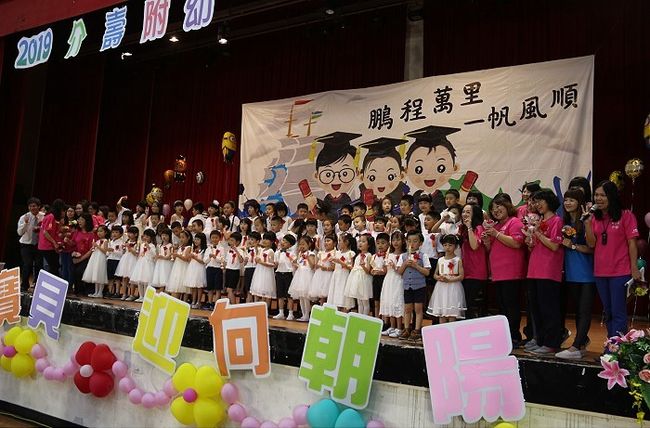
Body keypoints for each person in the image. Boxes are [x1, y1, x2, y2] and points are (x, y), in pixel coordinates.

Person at [585, 180, 640, 340]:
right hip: (600, 271)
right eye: (596, 195)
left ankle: (617, 350)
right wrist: (587, 224)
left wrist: (634, 267)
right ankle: (611, 344)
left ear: (612, 196)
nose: (598, 198)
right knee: (607, 311)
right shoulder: (594, 218)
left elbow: (632, 243)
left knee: (618, 311)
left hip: (620, 271)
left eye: (603, 195)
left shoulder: (626, 215)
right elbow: (591, 243)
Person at [556, 189, 595, 359]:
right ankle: (582, 343)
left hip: (587, 273)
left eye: (572, 200)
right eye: (566, 200)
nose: (568, 203)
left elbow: (591, 248)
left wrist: (572, 246)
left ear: (579, 203)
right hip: (571, 272)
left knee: (584, 310)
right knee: (578, 310)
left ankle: (576, 346)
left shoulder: (586, 221)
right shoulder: (565, 222)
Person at [483, 194, 526, 346]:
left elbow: (516, 243)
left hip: (511, 272)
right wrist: (487, 240)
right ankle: (504, 336)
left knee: (511, 305)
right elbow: (491, 249)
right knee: (502, 306)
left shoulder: (515, 222)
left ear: (507, 206)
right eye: (493, 208)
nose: (496, 210)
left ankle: (514, 336)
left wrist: (496, 234)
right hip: (498, 273)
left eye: (499, 206)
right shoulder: (495, 226)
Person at [525, 189, 564, 355]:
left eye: (541, 201)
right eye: (535, 201)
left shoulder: (557, 221)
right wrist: (529, 237)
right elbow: (533, 245)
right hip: (534, 269)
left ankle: (552, 342)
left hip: (548, 270)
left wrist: (538, 233)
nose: (537, 204)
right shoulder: (538, 221)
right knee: (536, 308)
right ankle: (540, 339)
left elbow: (554, 245)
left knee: (549, 308)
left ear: (549, 202)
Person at [397, 231, 431, 342]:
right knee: (407, 309)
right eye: (409, 241)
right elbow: (399, 272)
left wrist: (416, 266)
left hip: (419, 286)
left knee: (418, 309)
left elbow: (427, 272)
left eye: (415, 241)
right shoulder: (403, 256)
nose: (412, 243)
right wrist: (405, 264)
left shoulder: (423, 256)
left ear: (420, 243)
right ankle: (406, 328)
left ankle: (417, 329)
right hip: (407, 286)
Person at [358, 137, 408, 208]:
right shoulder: (363, 201)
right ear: (362, 177)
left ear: (401, 175)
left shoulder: (400, 200)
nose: (381, 183)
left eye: (390, 177)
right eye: (372, 177)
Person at [427, 234, 466, 322]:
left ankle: (451, 331)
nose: (447, 247)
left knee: (452, 311)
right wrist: (439, 277)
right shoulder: (440, 260)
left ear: (455, 246)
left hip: (453, 287)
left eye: (450, 245)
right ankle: (442, 332)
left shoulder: (458, 259)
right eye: (445, 245)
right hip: (441, 287)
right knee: (441, 311)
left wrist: (450, 280)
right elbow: (435, 274)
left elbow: (461, 276)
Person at [460, 204, 488, 318]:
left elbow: (474, 246)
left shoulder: (479, 228)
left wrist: (469, 227)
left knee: (471, 304)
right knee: (465, 304)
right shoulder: (462, 229)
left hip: (476, 272)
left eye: (468, 212)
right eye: (463, 212)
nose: (464, 214)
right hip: (465, 271)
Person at [380, 231, 406, 338]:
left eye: (398, 240)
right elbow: (385, 270)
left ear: (403, 241)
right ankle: (391, 326)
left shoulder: (404, 255)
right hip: (389, 279)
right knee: (388, 301)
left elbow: (401, 270)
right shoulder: (389, 254)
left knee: (397, 301)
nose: (395, 242)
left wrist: (394, 266)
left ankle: (399, 327)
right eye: (394, 240)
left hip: (398, 280)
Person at [344, 234, 375, 315]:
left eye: (363, 241)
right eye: (359, 241)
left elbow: (368, 270)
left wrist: (363, 266)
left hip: (364, 280)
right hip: (356, 280)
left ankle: (365, 318)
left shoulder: (369, 255)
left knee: (365, 301)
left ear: (369, 245)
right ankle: (359, 317)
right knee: (359, 301)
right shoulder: (358, 256)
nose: (360, 243)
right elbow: (354, 268)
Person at [17, 197, 43, 290]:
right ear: (28, 207)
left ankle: (37, 285)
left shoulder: (43, 216)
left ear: (39, 207)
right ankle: (24, 285)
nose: (33, 208)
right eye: (31, 206)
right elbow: (19, 233)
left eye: (35, 206)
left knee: (38, 265)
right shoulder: (24, 217)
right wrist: (26, 223)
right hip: (26, 244)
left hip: (38, 245)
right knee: (27, 264)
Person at [288, 236, 317, 321]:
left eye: (303, 244)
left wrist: (307, 257)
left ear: (309, 244)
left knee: (306, 297)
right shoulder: (300, 254)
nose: (301, 246)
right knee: (301, 296)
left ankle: (307, 315)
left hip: (307, 275)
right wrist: (295, 262)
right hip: (300, 275)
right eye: (300, 244)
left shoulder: (311, 253)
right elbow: (299, 265)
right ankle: (303, 314)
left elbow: (312, 266)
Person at [327, 233, 356, 311]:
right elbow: (334, 265)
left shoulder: (350, 253)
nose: (338, 242)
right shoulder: (337, 253)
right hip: (336, 274)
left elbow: (350, 267)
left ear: (346, 242)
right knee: (336, 293)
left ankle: (344, 314)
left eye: (340, 240)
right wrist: (332, 261)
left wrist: (339, 261)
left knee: (343, 295)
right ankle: (337, 314)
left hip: (344, 275)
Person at [68, 213, 95, 296]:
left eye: (82, 220)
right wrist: (67, 241)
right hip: (75, 256)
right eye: (79, 219)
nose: (79, 221)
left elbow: (91, 250)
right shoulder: (77, 232)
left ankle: (83, 291)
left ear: (87, 221)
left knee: (79, 272)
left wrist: (81, 258)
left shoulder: (91, 234)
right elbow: (72, 244)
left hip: (86, 257)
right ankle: (77, 291)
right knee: (73, 272)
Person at [38, 198, 66, 275]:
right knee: (53, 267)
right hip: (47, 246)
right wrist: (54, 243)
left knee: (55, 266)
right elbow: (45, 232)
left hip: (51, 246)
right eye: (63, 210)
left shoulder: (55, 218)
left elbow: (57, 232)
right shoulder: (51, 217)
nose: (64, 212)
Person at [130, 229, 158, 303]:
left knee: (146, 281)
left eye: (147, 236)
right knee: (139, 281)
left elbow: (154, 255)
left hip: (148, 264)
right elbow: (140, 253)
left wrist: (148, 247)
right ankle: (141, 296)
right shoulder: (142, 244)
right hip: (141, 263)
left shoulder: (152, 245)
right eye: (145, 236)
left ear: (151, 238)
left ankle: (145, 296)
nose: (145, 238)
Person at [274, 234, 297, 320]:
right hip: (279, 273)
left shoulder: (292, 253)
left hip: (288, 274)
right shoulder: (277, 253)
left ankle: (290, 313)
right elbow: (276, 264)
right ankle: (281, 312)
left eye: (286, 242)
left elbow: (294, 262)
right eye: (283, 240)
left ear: (290, 245)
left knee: (289, 295)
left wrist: (292, 258)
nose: (283, 243)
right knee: (280, 294)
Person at [82, 225, 109, 298]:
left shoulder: (105, 241)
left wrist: (97, 246)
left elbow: (105, 251)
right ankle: (96, 292)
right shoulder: (97, 241)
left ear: (105, 232)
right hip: (95, 258)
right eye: (98, 231)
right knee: (96, 274)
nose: (99, 233)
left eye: (101, 231)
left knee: (100, 274)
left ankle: (100, 292)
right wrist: (93, 247)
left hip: (101, 258)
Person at [250, 232, 277, 303]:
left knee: (266, 292)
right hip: (259, 271)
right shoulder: (262, 250)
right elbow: (258, 258)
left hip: (267, 273)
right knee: (257, 290)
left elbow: (272, 264)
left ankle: (265, 309)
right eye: (264, 239)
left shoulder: (271, 251)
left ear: (272, 241)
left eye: (267, 239)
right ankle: (256, 306)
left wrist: (261, 262)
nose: (264, 241)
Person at [310, 233, 337, 304]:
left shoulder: (334, 253)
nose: (326, 243)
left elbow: (333, 267)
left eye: (328, 241)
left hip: (328, 275)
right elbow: (316, 265)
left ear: (334, 243)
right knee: (321, 294)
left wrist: (324, 268)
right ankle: (321, 307)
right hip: (319, 275)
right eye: (325, 241)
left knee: (328, 294)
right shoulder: (321, 253)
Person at [115, 226, 139, 301]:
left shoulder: (138, 243)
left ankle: (132, 294)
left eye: (131, 233)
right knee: (124, 278)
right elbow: (124, 251)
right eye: (128, 232)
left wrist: (129, 248)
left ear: (136, 234)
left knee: (131, 278)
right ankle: (124, 294)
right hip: (125, 260)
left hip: (133, 260)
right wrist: (123, 248)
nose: (129, 234)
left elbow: (136, 253)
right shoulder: (126, 242)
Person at [184, 232, 207, 308]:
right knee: (193, 286)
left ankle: (198, 302)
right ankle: (193, 301)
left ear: (202, 240)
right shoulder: (193, 248)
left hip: (199, 268)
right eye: (195, 239)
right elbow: (188, 258)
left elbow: (203, 261)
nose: (196, 241)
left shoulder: (204, 250)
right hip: (192, 267)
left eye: (198, 239)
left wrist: (194, 257)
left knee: (199, 286)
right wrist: (190, 256)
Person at [166, 230, 192, 299]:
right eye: (180, 237)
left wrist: (177, 255)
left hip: (183, 268)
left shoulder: (189, 247)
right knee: (176, 286)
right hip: (177, 268)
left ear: (188, 238)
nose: (181, 239)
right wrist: (173, 255)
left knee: (182, 287)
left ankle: (184, 301)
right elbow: (176, 258)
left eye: (183, 237)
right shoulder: (180, 247)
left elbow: (186, 259)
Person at [371, 233, 389, 319]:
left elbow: (386, 271)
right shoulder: (374, 256)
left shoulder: (388, 256)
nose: (380, 245)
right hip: (375, 280)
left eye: (383, 243)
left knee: (384, 301)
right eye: (378, 243)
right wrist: (373, 271)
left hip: (384, 280)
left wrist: (378, 272)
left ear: (388, 244)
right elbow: (371, 269)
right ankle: (376, 319)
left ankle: (385, 321)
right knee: (376, 301)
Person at [224, 232, 246, 305]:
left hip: (234, 271)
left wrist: (236, 250)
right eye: (230, 240)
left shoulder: (240, 250)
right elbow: (226, 261)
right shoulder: (229, 250)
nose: (230, 242)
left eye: (232, 240)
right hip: (228, 270)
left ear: (238, 242)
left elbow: (241, 260)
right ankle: (229, 304)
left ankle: (233, 305)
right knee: (228, 290)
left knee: (230, 289)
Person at [106, 225, 124, 298]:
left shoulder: (121, 243)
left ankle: (117, 292)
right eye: (113, 232)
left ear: (121, 234)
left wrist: (113, 251)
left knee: (117, 278)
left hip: (117, 260)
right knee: (110, 277)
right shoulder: (111, 241)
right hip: (110, 259)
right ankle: (110, 291)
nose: (114, 234)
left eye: (116, 232)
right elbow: (108, 252)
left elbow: (121, 253)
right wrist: (108, 252)